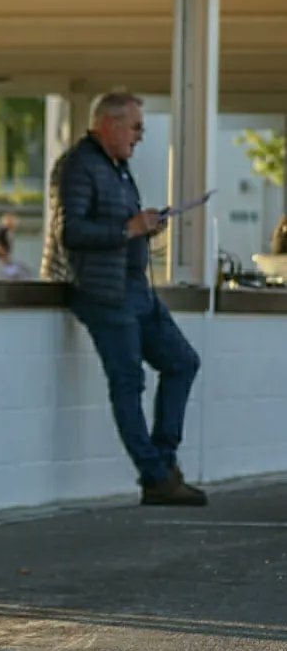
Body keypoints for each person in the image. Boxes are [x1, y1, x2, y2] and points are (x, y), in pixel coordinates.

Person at [41, 91, 205, 506]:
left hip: (135, 288)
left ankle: (163, 463)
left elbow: (118, 224)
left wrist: (145, 227)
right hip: (103, 292)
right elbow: (71, 232)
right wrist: (129, 229)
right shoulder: (78, 166)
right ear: (109, 125)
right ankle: (155, 475)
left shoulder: (118, 168)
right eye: (135, 128)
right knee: (128, 382)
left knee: (183, 361)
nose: (140, 137)